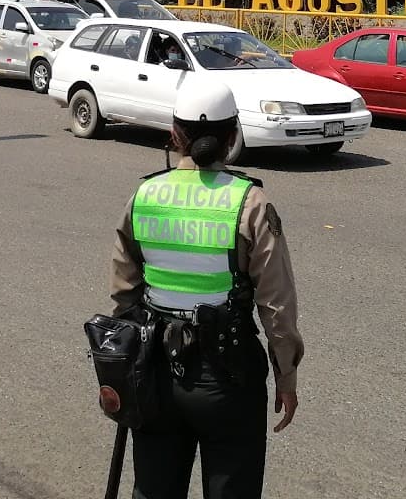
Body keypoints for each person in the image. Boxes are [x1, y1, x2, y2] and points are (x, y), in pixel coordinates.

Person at [109, 78, 302, 499]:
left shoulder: (144, 195)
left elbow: (124, 294)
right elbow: (276, 303)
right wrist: (285, 375)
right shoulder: (249, 202)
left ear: (175, 134)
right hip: (228, 377)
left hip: (156, 372)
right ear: (233, 136)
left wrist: (127, 371)